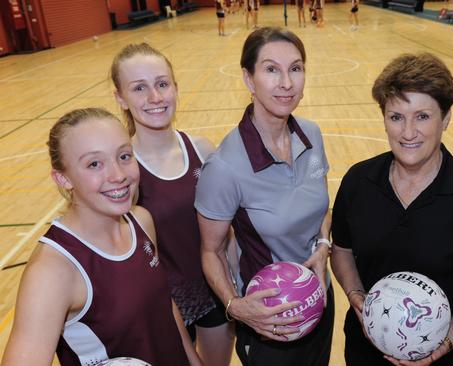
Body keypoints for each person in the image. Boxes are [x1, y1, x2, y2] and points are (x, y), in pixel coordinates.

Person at [331, 53, 453, 366]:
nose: (408, 133)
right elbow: (341, 251)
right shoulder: (358, 181)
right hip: (364, 351)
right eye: (396, 117)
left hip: (440, 358)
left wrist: (446, 343)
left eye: (422, 116)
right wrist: (356, 294)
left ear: (446, 118)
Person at [1, 108, 201, 366]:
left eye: (124, 156)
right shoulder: (53, 271)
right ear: (63, 178)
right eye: (94, 164)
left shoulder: (140, 221)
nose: (118, 175)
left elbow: (164, 307)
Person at [195, 27, 334, 366]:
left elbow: (322, 209)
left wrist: (323, 245)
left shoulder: (311, 134)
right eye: (271, 69)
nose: (286, 82)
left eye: (296, 68)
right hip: (268, 322)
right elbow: (211, 251)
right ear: (248, 78)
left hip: (318, 301)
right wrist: (235, 306)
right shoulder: (225, 167)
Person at [110, 43, 235, 366]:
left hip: (213, 293)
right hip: (162, 306)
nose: (155, 97)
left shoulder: (203, 150)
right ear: (120, 98)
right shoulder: (122, 172)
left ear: (175, 88)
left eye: (162, 84)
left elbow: (228, 230)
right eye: (139, 88)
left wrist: (238, 287)